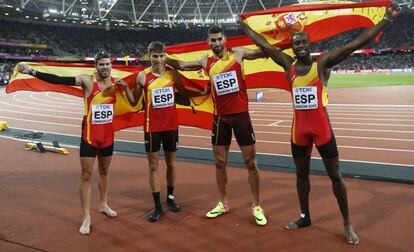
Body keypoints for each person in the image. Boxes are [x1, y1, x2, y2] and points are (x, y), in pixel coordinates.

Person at [237, 3, 401, 244]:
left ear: (309, 44)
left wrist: (387, 19)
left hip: (321, 128)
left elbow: (354, 44)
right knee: (301, 175)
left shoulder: (322, 64)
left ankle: (347, 223)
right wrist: (244, 26)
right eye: (296, 43)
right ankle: (304, 216)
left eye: (304, 42)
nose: (300, 46)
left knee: (335, 176)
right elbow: (265, 45)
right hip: (299, 130)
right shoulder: (287, 65)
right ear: (292, 48)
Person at [166, 26, 268, 226]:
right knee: (220, 163)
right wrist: (162, 56)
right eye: (213, 40)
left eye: (219, 39)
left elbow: (263, 51)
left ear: (225, 39)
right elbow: (181, 64)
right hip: (220, 118)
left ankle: (257, 205)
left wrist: (253, 31)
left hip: (241, 117)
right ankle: (222, 203)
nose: (217, 43)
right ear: (208, 42)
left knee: (250, 163)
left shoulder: (238, 54)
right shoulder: (205, 61)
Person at [18, 51, 119, 235]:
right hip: (90, 135)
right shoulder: (87, 81)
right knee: (86, 175)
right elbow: (58, 79)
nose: (105, 67)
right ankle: (86, 217)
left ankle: (104, 204)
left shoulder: (117, 83)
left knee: (105, 171)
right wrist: (32, 71)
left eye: (108, 64)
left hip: (108, 135)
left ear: (111, 65)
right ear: (95, 66)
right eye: (101, 64)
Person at [117, 42, 204, 222]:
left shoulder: (173, 73)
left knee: (171, 164)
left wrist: (201, 92)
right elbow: (134, 103)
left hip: (171, 126)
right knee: (154, 166)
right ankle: (157, 207)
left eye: (161, 56)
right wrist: (126, 88)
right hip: (152, 128)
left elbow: (183, 92)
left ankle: (170, 199)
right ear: (149, 56)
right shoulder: (142, 76)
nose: (158, 60)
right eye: (155, 56)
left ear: (165, 56)